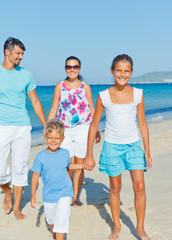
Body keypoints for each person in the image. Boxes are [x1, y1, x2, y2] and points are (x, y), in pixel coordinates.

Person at [0, 37, 47, 220]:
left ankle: (16, 207)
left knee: (20, 168)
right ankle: (7, 191)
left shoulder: (26, 75)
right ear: (8, 52)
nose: (20, 57)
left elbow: (35, 101)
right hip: (0, 127)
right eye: (18, 53)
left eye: (22, 54)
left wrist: (45, 125)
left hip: (22, 126)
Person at [83, 54, 153, 240]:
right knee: (115, 188)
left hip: (133, 146)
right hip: (112, 146)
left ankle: (140, 228)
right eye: (119, 70)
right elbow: (94, 125)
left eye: (126, 71)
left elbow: (143, 124)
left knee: (140, 186)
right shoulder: (104, 96)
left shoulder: (138, 94)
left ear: (131, 72)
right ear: (112, 71)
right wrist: (89, 154)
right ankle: (116, 226)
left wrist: (147, 151)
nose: (122, 74)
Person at [48, 56, 100, 206]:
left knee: (79, 163)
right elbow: (54, 108)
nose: (72, 69)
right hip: (63, 130)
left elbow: (92, 108)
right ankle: (66, 192)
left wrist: (95, 129)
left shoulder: (85, 87)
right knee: (65, 164)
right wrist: (48, 129)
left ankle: (74, 197)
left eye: (75, 67)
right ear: (65, 69)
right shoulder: (60, 86)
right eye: (69, 67)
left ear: (79, 68)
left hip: (83, 129)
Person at [31, 119, 83, 240]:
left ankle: (59, 236)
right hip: (49, 195)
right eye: (50, 137)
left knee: (61, 221)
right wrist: (33, 194)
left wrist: (82, 165)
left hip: (64, 192)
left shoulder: (65, 153)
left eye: (57, 138)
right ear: (45, 137)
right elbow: (35, 176)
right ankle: (56, 234)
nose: (53, 141)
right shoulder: (40, 157)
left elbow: (68, 166)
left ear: (62, 139)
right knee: (52, 221)